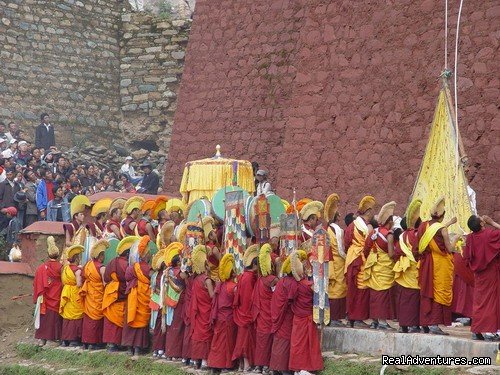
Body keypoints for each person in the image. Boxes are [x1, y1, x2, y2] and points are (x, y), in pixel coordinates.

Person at [417, 197, 458, 335]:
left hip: (427, 262)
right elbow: (450, 248)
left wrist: (449, 223)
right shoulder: (443, 230)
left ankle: (425, 323)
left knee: (428, 291)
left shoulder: (423, 226)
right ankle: (434, 324)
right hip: (440, 264)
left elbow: (433, 232)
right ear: (442, 215)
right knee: (438, 292)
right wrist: (457, 239)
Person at [463, 215, 500, 340]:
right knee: (491, 301)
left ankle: (476, 330)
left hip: (478, 275)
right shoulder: (489, 234)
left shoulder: (470, 238)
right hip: (490, 273)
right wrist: (493, 222)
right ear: (482, 224)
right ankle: (490, 332)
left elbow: (467, 258)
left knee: (479, 302)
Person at [288, 250, 324, 373]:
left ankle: (297, 368)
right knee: (309, 344)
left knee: (297, 344)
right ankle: (308, 367)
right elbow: (320, 296)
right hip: (308, 317)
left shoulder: (295, 285)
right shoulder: (309, 285)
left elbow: (290, 299)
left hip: (297, 318)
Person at [363, 201, 397, 330]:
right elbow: (391, 254)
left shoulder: (374, 232)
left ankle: (375, 321)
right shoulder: (388, 235)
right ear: (390, 221)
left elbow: (366, 249)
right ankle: (382, 322)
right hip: (384, 268)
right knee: (383, 295)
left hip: (375, 267)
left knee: (375, 295)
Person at [102, 236, 139, 352]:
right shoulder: (125, 264)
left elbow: (106, 277)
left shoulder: (112, 262)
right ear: (128, 254)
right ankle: (117, 343)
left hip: (110, 292)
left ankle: (111, 344)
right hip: (120, 293)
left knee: (110, 320)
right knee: (118, 319)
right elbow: (128, 277)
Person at [344, 196, 376, 327]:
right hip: (361, 259)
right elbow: (369, 244)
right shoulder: (367, 227)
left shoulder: (352, 225)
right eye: (372, 210)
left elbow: (346, 243)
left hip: (352, 258)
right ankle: (358, 318)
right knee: (361, 287)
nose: (373, 213)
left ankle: (352, 316)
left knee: (352, 287)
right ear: (368, 211)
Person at [393, 200, 422, 333]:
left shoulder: (402, 235)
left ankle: (403, 325)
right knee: (413, 297)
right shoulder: (415, 235)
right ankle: (413, 325)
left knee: (404, 298)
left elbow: (397, 251)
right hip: (413, 268)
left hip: (403, 268)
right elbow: (417, 251)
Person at [122, 236, 152, 359]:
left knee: (131, 318)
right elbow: (152, 278)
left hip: (133, 296)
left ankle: (130, 348)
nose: (150, 255)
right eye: (149, 253)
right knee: (140, 320)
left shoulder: (133, 267)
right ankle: (138, 349)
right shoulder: (147, 268)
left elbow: (127, 276)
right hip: (142, 296)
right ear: (145, 255)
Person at [269, 253, 299, 374]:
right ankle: (283, 369)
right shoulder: (291, 283)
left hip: (278, 314)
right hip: (286, 316)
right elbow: (291, 300)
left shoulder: (281, 281)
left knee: (279, 340)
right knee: (285, 340)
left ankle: (276, 367)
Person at [207, 253, 238, 371]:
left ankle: (214, 364)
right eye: (234, 270)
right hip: (228, 317)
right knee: (227, 342)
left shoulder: (220, 285)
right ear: (232, 273)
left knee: (217, 341)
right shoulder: (233, 287)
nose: (235, 272)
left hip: (219, 317)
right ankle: (226, 365)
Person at [252, 244, 279, 372]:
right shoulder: (273, 280)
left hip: (261, 315)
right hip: (269, 314)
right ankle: (267, 365)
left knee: (261, 340)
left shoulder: (260, 280)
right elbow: (279, 294)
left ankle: (258, 365)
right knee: (268, 339)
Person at [232, 244, 259, 371]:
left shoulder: (244, 275)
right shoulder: (248, 278)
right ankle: (246, 364)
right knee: (245, 339)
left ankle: (242, 365)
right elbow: (248, 298)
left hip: (242, 310)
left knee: (242, 338)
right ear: (255, 265)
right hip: (246, 312)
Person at [33, 236, 63, 346]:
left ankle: (42, 339)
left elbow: (36, 282)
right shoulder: (61, 267)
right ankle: (52, 339)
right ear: (58, 255)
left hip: (45, 297)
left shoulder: (42, 267)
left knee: (45, 317)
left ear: (48, 254)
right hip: (56, 295)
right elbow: (64, 281)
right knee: (53, 318)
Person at [189, 244, 215, 369]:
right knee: (205, 334)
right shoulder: (207, 280)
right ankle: (204, 360)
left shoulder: (196, 279)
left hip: (198, 312)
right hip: (206, 311)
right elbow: (212, 296)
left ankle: (196, 362)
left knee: (198, 334)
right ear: (205, 265)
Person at [80, 240, 108, 350]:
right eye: (103, 254)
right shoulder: (102, 268)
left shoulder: (88, 265)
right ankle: (94, 343)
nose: (104, 256)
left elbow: (83, 277)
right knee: (96, 319)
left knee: (88, 319)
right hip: (98, 295)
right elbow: (105, 283)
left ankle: (85, 342)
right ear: (100, 256)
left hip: (89, 295)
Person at [324, 193, 347, 326]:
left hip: (331, 262)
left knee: (332, 288)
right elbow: (340, 248)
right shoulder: (337, 230)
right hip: (338, 262)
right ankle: (335, 318)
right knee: (338, 288)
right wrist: (346, 257)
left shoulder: (328, 229)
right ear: (336, 217)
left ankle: (333, 317)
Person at [163, 243, 186, 360]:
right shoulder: (178, 272)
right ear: (178, 263)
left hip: (169, 301)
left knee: (171, 326)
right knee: (177, 327)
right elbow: (179, 287)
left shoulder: (168, 271)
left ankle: (169, 353)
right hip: (178, 301)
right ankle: (174, 353)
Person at [59, 245, 85, 347]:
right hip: (75, 293)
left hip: (66, 292)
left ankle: (65, 340)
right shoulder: (77, 271)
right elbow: (79, 284)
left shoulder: (65, 269)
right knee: (76, 316)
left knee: (67, 316)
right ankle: (74, 339)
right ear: (77, 258)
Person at [150, 247, 167, 358]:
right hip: (161, 302)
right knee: (161, 326)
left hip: (154, 301)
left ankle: (155, 349)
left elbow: (153, 288)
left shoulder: (154, 275)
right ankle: (160, 348)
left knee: (156, 326)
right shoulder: (163, 275)